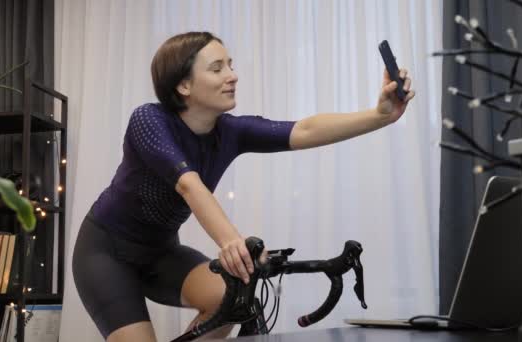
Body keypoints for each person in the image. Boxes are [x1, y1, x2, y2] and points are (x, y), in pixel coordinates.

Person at [72, 31, 415, 342]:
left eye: (230, 65)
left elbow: (306, 130)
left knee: (233, 297)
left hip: (161, 252)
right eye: (217, 68)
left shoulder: (231, 132)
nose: (232, 76)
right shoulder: (149, 120)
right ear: (184, 85)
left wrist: (380, 115)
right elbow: (189, 186)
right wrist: (232, 243)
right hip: (105, 254)